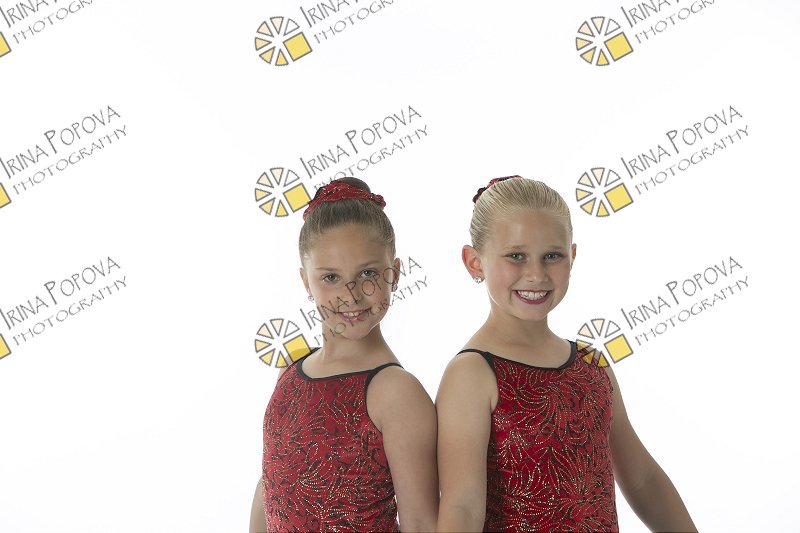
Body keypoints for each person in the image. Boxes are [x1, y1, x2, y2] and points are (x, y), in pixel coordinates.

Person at [435, 176, 696, 532]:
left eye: (552, 256)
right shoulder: (472, 374)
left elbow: (642, 479)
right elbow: (462, 508)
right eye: (516, 256)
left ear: (572, 257)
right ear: (474, 262)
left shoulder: (591, 364)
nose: (535, 274)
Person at [249, 177, 438, 532]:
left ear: (395, 274)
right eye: (331, 277)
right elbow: (269, 487)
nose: (350, 295)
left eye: (368, 273)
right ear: (306, 281)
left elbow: (421, 523)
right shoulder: (290, 371)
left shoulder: (397, 393)